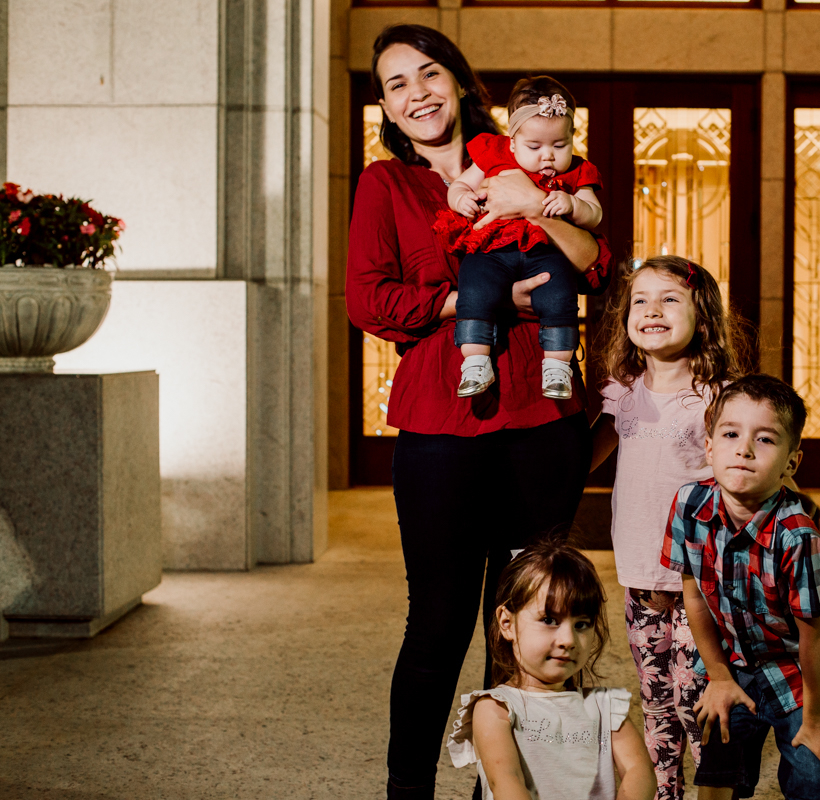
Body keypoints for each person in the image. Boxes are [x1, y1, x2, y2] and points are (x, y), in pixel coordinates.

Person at [344, 24, 612, 800]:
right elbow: (369, 298)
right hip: (439, 432)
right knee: (436, 624)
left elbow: (598, 257)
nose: (417, 93)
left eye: (429, 74)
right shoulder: (385, 185)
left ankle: (505, 791)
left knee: (528, 626)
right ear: (387, 108)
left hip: (541, 420)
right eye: (397, 84)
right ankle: (408, 791)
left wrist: (537, 203)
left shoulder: (529, 152)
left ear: (459, 81)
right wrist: (467, 298)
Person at [659, 375, 820, 800]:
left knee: (813, 774)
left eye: (765, 440)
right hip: (733, 661)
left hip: (802, 667)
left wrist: (818, 719)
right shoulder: (689, 506)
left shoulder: (799, 538)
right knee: (718, 765)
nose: (744, 449)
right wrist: (717, 676)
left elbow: (816, 638)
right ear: (709, 446)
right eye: (730, 434)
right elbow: (693, 596)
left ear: (791, 463)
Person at [588, 255, 742, 800]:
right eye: (640, 300)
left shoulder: (720, 399)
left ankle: (714, 793)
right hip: (638, 577)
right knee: (655, 705)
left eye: (669, 299)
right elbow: (582, 460)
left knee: (700, 700)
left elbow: (744, 483)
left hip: (702, 584)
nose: (651, 310)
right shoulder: (621, 393)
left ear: (702, 315)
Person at [446, 540, 656, 800]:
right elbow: (507, 784)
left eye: (582, 624)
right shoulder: (495, 708)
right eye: (549, 620)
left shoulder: (605, 707)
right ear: (507, 623)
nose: (568, 640)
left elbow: (639, 770)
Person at [436, 76, 603, 400]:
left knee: (560, 296)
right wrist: (460, 199)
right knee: (474, 288)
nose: (548, 157)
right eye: (534, 147)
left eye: (559, 145)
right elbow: (460, 185)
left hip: (546, 250)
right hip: (492, 249)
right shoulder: (493, 154)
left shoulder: (578, 172)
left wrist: (573, 204)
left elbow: (595, 214)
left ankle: (557, 367)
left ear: (572, 139)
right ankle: (475, 360)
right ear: (511, 142)